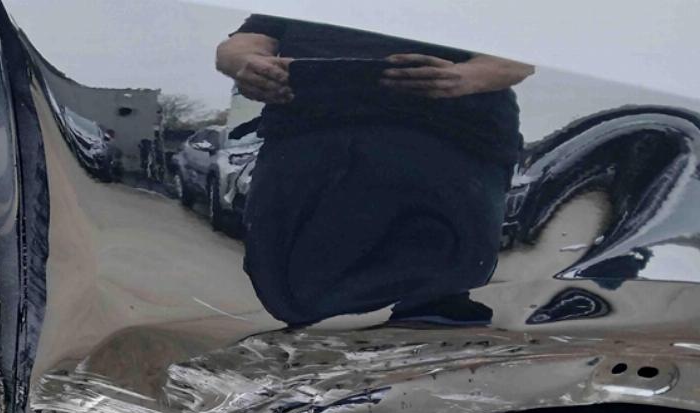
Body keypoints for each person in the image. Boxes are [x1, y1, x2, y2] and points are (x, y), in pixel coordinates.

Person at [216, 16, 533, 327]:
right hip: (307, 137)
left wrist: (465, 76)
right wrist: (250, 64)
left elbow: (518, 53)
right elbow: (241, 44)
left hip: (449, 139)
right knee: (286, 283)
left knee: (440, 281)